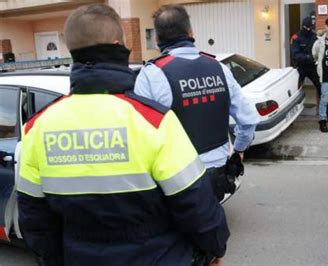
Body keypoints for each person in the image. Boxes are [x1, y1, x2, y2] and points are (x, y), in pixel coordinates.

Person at [17, 4, 229, 266]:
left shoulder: (36, 128)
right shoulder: (153, 120)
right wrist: (215, 248)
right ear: (118, 45)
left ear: (71, 51)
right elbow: (195, 203)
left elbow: (33, 217)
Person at [134, 5, 260, 202]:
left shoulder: (151, 74)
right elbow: (249, 119)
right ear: (191, 32)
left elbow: (142, 136)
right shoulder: (219, 68)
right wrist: (239, 149)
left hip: (176, 179)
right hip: (218, 175)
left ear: (157, 39)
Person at [290, 15, 328, 122]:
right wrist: (308, 57)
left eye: (312, 27)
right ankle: (290, 119)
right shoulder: (296, 38)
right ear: (304, 27)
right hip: (301, 68)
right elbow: (295, 55)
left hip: (313, 68)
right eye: (309, 27)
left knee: (322, 90)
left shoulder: (314, 36)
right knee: (294, 92)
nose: (311, 29)